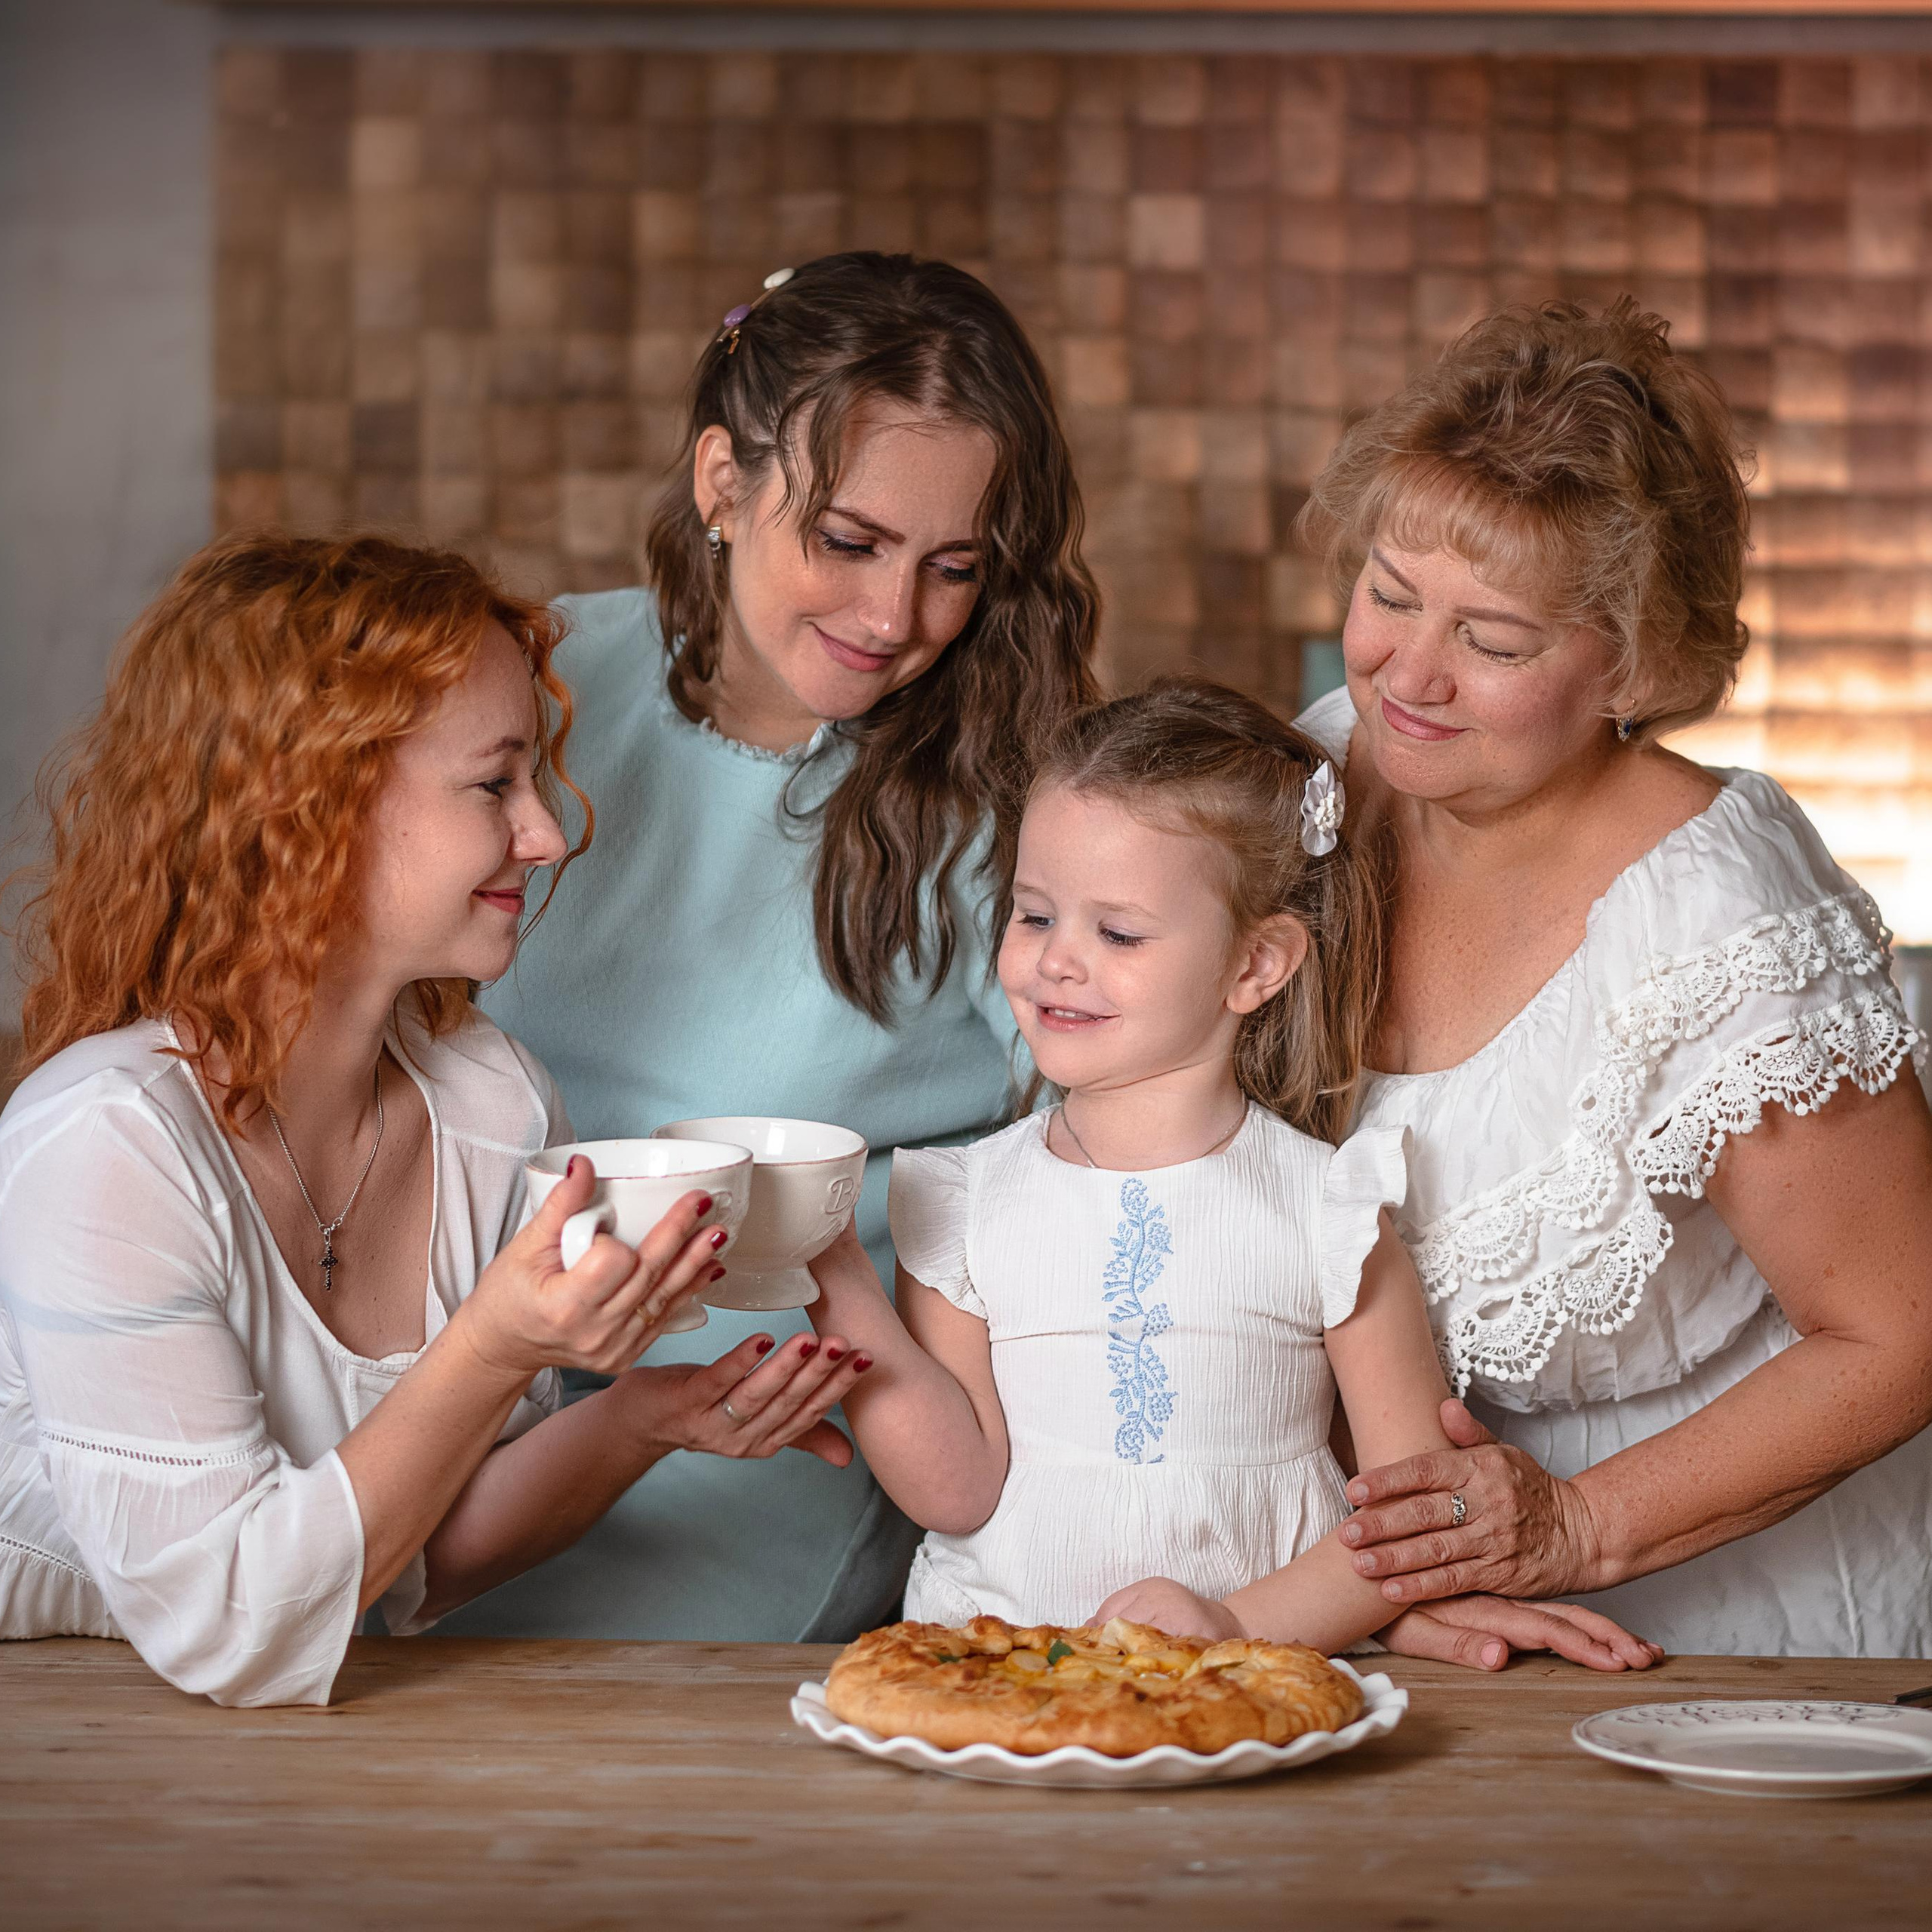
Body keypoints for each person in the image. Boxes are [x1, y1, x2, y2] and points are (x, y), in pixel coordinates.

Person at [0, 534, 867, 1706]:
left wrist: (642, 1422)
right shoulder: (106, 1145)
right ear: (313, 805)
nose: (548, 835)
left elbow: (395, 1567)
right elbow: (229, 1631)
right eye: (493, 783)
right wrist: (499, 1344)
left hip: (207, 1734)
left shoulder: (492, 1101)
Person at [460, 251, 1101, 1642]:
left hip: (767, 1443)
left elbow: (1116, 1172)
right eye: (849, 542)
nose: (894, 621)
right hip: (455, 1385)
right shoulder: (540, 682)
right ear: (720, 483)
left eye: (953, 569)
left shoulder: (1020, 808)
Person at [1290, 299, 1932, 1661]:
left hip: (1734, 1624)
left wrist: (1572, 1526)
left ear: (1632, 662)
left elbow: (1902, 1333)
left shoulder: (1722, 910)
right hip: (1407, 1618)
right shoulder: (1317, 779)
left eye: (1496, 643)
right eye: (1389, 595)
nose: (1408, 674)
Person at [802, 681, 1658, 1669]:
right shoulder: (962, 1202)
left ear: (1256, 965)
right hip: (992, 1685)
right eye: (1034, 916)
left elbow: (1415, 1512)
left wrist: (1240, 1628)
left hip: (1258, 1690)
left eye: (1117, 933)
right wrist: (826, 1268)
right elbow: (955, 1491)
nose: (1057, 962)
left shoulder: (1328, 1208)